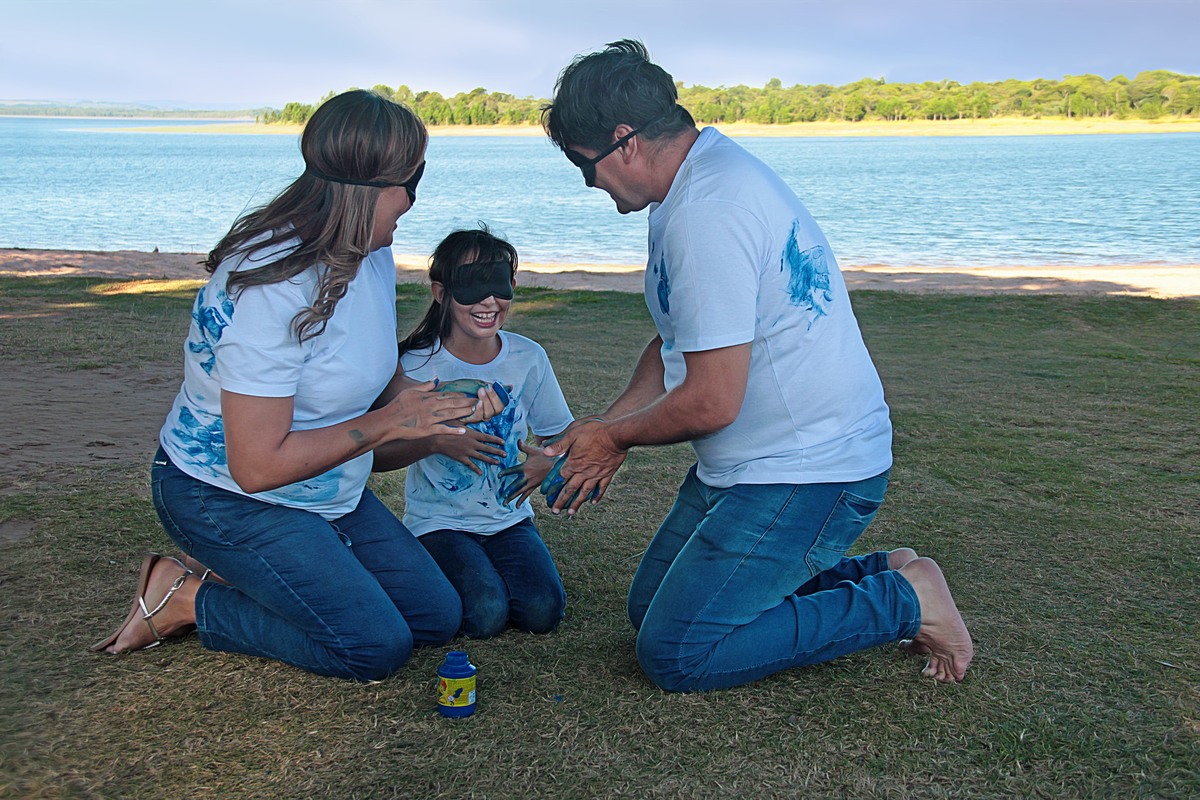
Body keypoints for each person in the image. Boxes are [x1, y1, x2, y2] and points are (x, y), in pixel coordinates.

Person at [539, 40, 973, 691]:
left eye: (584, 166)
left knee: (679, 652)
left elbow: (713, 402)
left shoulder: (709, 209)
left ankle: (905, 603)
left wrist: (616, 438)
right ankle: (888, 572)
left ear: (623, 141)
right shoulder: (687, 191)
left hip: (809, 468)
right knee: (650, 609)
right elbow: (671, 348)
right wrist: (606, 426)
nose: (590, 183)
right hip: (756, 467)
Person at [91, 89, 505, 681]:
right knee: (373, 647)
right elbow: (256, 467)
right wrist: (391, 423)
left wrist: (436, 405)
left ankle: (274, 570)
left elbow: (374, 365)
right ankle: (186, 598)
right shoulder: (274, 287)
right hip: (224, 498)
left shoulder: (369, 251)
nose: (414, 200)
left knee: (434, 617)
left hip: (325, 490)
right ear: (365, 188)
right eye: (411, 181)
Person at [375, 225, 572, 639]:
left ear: (513, 286)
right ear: (440, 292)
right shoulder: (411, 366)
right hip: (438, 523)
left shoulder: (528, 358)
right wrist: (435, 440)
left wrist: (545, 465)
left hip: (510, 521)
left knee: (543, 611)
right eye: (471, 286)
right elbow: (376, 458)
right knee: (485, 614)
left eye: (499, 284)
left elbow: (561, 436)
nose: (488, 300)